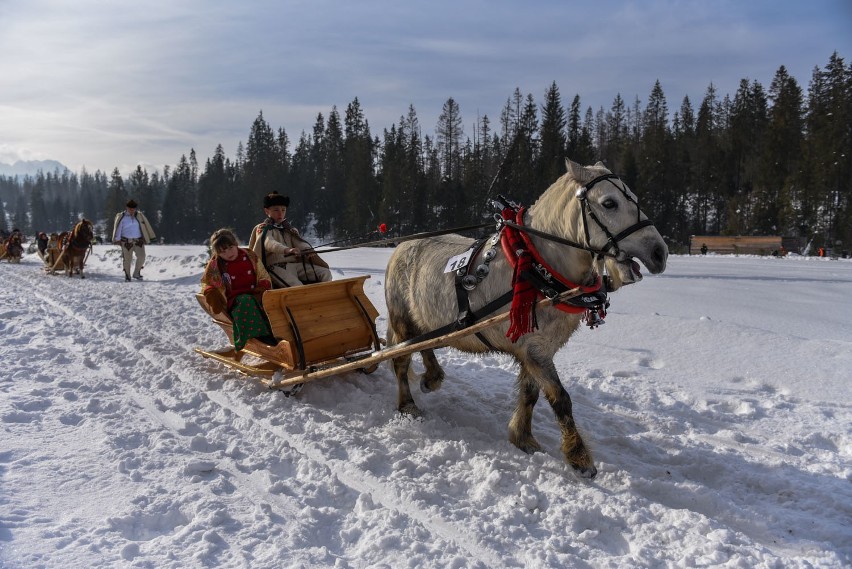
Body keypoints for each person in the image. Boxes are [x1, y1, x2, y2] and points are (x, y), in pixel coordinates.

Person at [201, 229, 275, 350]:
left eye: (230, 247)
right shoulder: (216, 264)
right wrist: (211, 292)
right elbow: (207, 282)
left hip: (256, 294)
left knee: (274, 302)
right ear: (218, 253)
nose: (228, 253)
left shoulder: (249, 255)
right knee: (246, 301)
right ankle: (261, 336)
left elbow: (263, 274)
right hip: (235, 300)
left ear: (236, 244)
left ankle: (280, 333)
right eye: (223, 251)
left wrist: (262, 287)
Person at [248, 192, 332, 288]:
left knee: (325, 273)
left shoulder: (289, 229)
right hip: (275, 267)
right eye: (276, 210)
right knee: (297, 286)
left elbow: (299, 243)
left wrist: (308, 250)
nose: (280, 213)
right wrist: (287, 250)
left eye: (283, 210)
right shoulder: (263, 228)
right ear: (267, 211)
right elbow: (269, 243)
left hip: (295, 265)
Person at [112, 199, 156, 281]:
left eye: (133, 209)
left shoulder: (139, 216)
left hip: (138, 241)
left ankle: (136, 273)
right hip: (126, 242)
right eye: (130, 209)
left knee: (142, 257)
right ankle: (127, 276)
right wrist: (117, 239)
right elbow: (118, 228)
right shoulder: (122, 217)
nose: (132, 210)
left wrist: (147, 237)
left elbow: (145, 226)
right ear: (127, 208)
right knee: (127, 259)